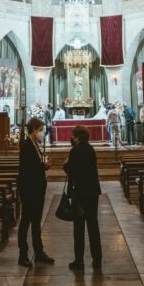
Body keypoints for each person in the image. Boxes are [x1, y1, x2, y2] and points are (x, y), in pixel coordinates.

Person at [17, 116, 55, 268]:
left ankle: (39, 252)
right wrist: (44, 166)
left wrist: (43, 164)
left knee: (36, 222)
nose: (42, 133)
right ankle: (23, 254)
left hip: (37, 188)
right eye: (40, 130)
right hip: (29, 190)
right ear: (33, 130)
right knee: (26, 221)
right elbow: (29, 169)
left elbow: (34, 164)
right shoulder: (26, 145)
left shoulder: (34, 144)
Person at [63, 125, 102, 271]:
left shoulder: (75, 150)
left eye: (73, 135)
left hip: (79, 193)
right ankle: (97, 259)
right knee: (93, 225)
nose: (71, 138)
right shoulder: (91, 149)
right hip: (92, 192)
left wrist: (65, 165)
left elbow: (71, 171)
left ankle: (79, 260)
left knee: (78, 228)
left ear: (77, 137)